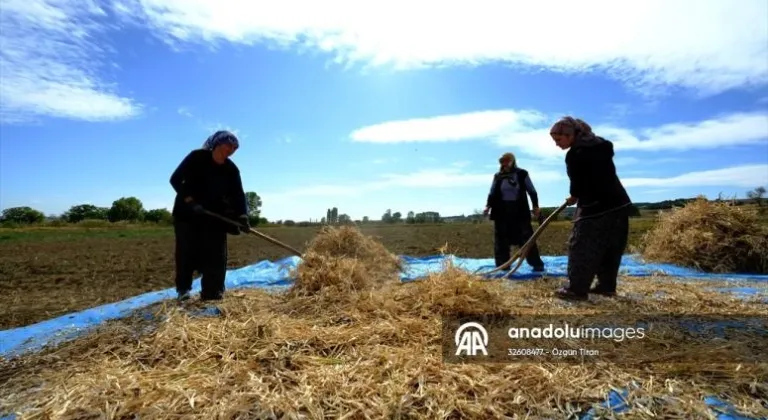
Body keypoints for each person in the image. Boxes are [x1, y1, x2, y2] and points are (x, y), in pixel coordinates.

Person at [549, 116, 632, 301]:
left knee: (581, 246)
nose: (557, 144)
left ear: (570, 135)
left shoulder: (575, 154)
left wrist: (574, 196)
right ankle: (606, 286)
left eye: (559, 140)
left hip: (596, 207)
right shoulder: (601, 146)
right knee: (611, 247)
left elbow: (578, 184)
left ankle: (576, 289)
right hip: (619, 204)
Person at [169, 130, 250, 302]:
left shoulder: (231, 169)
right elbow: (176, 179)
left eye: (234, 147)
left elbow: (238, 194)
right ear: (217, 144)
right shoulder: (196, 158)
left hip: (214, 217)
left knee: (216, 254)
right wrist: (190, 202)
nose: (231, 149)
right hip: (188, 215)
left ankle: (213, 293)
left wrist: (243, 216)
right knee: (187, 252)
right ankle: (183, 290)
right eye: (228, 145)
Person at [484, 152, 546, 272]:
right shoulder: (498, 176)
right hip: (501, 211)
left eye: (507, 160)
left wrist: (536, 206)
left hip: (519, 211)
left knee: (527, 238)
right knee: (501, 240)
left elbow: (532, 191)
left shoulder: (522, 174)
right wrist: (488, 206)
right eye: (502, 161)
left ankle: (536, 263)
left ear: (513, 161)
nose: (504, 163)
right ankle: (503, 265)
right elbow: (492, 193)